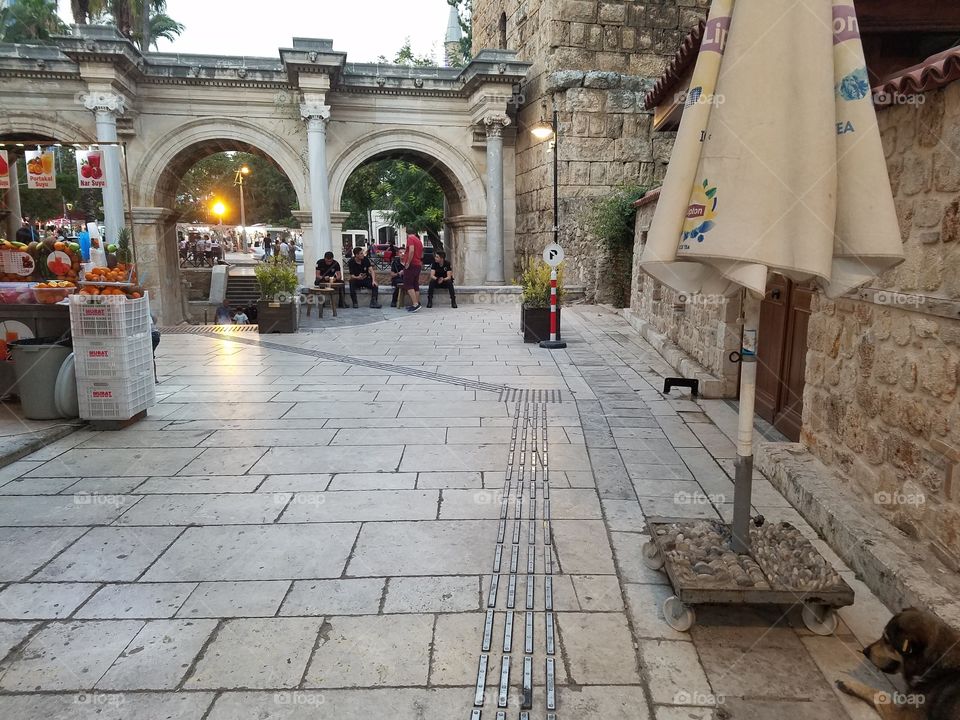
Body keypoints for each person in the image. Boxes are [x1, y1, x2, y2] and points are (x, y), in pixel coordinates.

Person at [403, 233, 424, 312]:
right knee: (415, 284)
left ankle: (415, 304)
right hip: (417, 264)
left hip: (412, 264)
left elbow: (411, 250)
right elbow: (421, 254)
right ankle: (416, 303)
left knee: (408, 283)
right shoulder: (418, 240)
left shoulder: (410, 238)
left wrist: (408, 262)